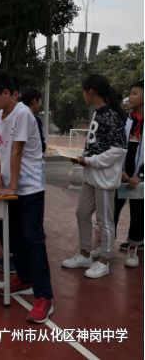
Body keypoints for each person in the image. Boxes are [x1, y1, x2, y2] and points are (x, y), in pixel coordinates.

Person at [0, 69, 53, 324]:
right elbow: (0, 150)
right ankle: (24, 277)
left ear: (7, 93)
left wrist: (13, 187)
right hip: (11, 186)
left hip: (30, 186)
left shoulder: (22, 113)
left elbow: (17, 152)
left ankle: (44, 297)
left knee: (33, 238)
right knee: (10, 233)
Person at [62, 74, 127, 278]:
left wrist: (89, 160)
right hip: (91, 176)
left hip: (105, 179)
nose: (83, 95)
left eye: (84, 91)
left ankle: (105, 260)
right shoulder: (98, 113)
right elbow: (96, 144)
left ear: (91, 92)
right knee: (82, 212)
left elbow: (119, 149)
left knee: (104, 220)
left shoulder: (111, 116)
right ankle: (84, 253)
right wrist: (83, 157)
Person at [114, 80, 143, 267]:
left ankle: (133, 250)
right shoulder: (126, 120)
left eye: (134, 93)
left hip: (139, 180)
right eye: (130, 93)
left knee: (138, 215)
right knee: (112, 211)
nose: (129, 97)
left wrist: (139, 177)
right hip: (121, 176)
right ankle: (105, 247)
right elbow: (118, 146)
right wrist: (122, 172)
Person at [20, 87, 46, 153]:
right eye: (40, 100)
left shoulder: (18, 115)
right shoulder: (34, 119)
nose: (41, 103)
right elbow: (41, 143)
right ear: (34, 101)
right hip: (32, 160)